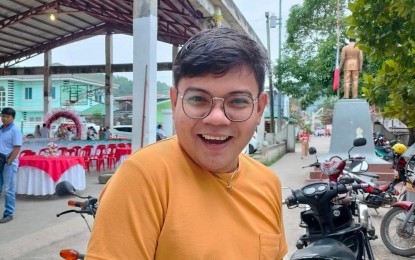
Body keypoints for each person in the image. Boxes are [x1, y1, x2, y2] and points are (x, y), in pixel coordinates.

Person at [86, 28, 287, 259]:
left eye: (238, 101)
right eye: (198, 99)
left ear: (259, 108)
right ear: (174, 103)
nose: (216, 118)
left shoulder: (267, 183)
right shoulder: (144, 178)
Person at [0, 107, 23, 224]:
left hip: (9, 163)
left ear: (13, 118)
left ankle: (9, 213)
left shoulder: (15, 130)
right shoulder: (0, 129)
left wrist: (8, 162)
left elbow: (17, 148)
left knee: (9, 189)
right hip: (0, 161)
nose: (4, 118)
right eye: (3, 116)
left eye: (7, 116)